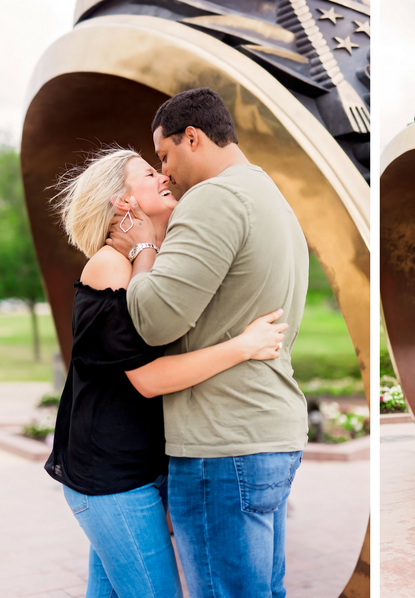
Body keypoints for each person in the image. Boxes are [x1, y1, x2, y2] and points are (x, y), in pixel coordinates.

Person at [45, 147, 289, 598]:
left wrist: (145, 249)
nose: (164, 176)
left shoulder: (143, 261)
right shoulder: (107, 266)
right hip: (110, 481)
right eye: (149, 172)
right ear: (123, 202)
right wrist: (242, 346)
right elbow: (147, 377)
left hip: (136, 472)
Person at [106, 87, 309, 598]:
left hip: (222, 444)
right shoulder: (270, 196)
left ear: (192, 137)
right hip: (268, 432)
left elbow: (153, 320)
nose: (165, 172)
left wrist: (144, 248)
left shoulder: (214, 198)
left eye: (165, 155)